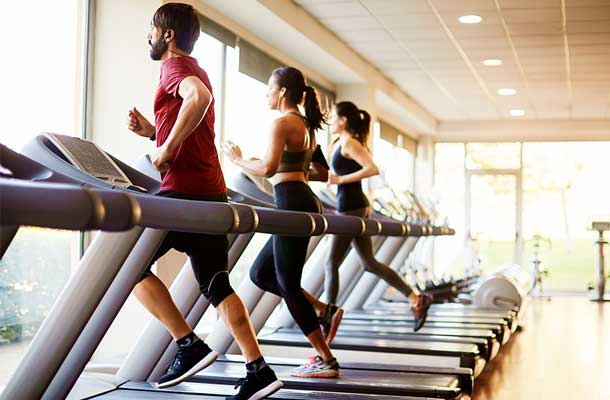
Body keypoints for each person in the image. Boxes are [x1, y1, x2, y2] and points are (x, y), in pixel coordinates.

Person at [127, 4, 282, 399]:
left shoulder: (175, 69)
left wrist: (163, 153)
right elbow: (194, 123)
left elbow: (199, 99)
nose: (148, 36)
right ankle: (258, 368)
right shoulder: (195, 66)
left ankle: (187, 343)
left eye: (152, 29)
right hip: (211, 192)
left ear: (167, 35)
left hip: (184, 194)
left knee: (127, 267)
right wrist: (153, 135)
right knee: (217, 285)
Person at [223, 66, 340, 378]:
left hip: (290, 201)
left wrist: (237, 160)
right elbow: (322, 173)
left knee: (287, 283)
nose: (267, 94)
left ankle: (326, 359)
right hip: (300, 199)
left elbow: (269, 167)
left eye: (270, 88)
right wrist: (297, 171)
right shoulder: (307, 126)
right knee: (261, 273)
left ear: (283, 92)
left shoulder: (283, 123)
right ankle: (323, 310)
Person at [323, 101, 432, 331]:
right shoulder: (341, 142)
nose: (331, 120)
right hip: (350, 207)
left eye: (334, 116)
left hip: (352, 208)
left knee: (331, 261)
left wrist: (341, 180)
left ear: (343, 120)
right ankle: (415, 298)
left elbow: (372, 168)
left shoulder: (350, 143)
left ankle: (328, 313)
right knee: (369, 263)